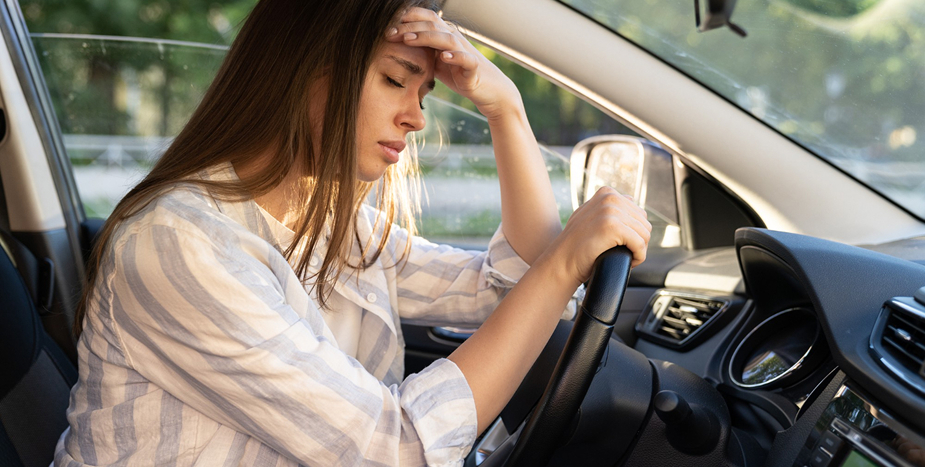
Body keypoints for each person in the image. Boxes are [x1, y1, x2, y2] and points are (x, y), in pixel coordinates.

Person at [54, 0, 652, 465]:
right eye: (397, 80)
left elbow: (513, 289)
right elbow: (395, 451)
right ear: (305, 71)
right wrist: (563, 259)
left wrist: (506, 109)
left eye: (424, 92)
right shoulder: (176, 243)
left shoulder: (331, 226)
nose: (416, 117)